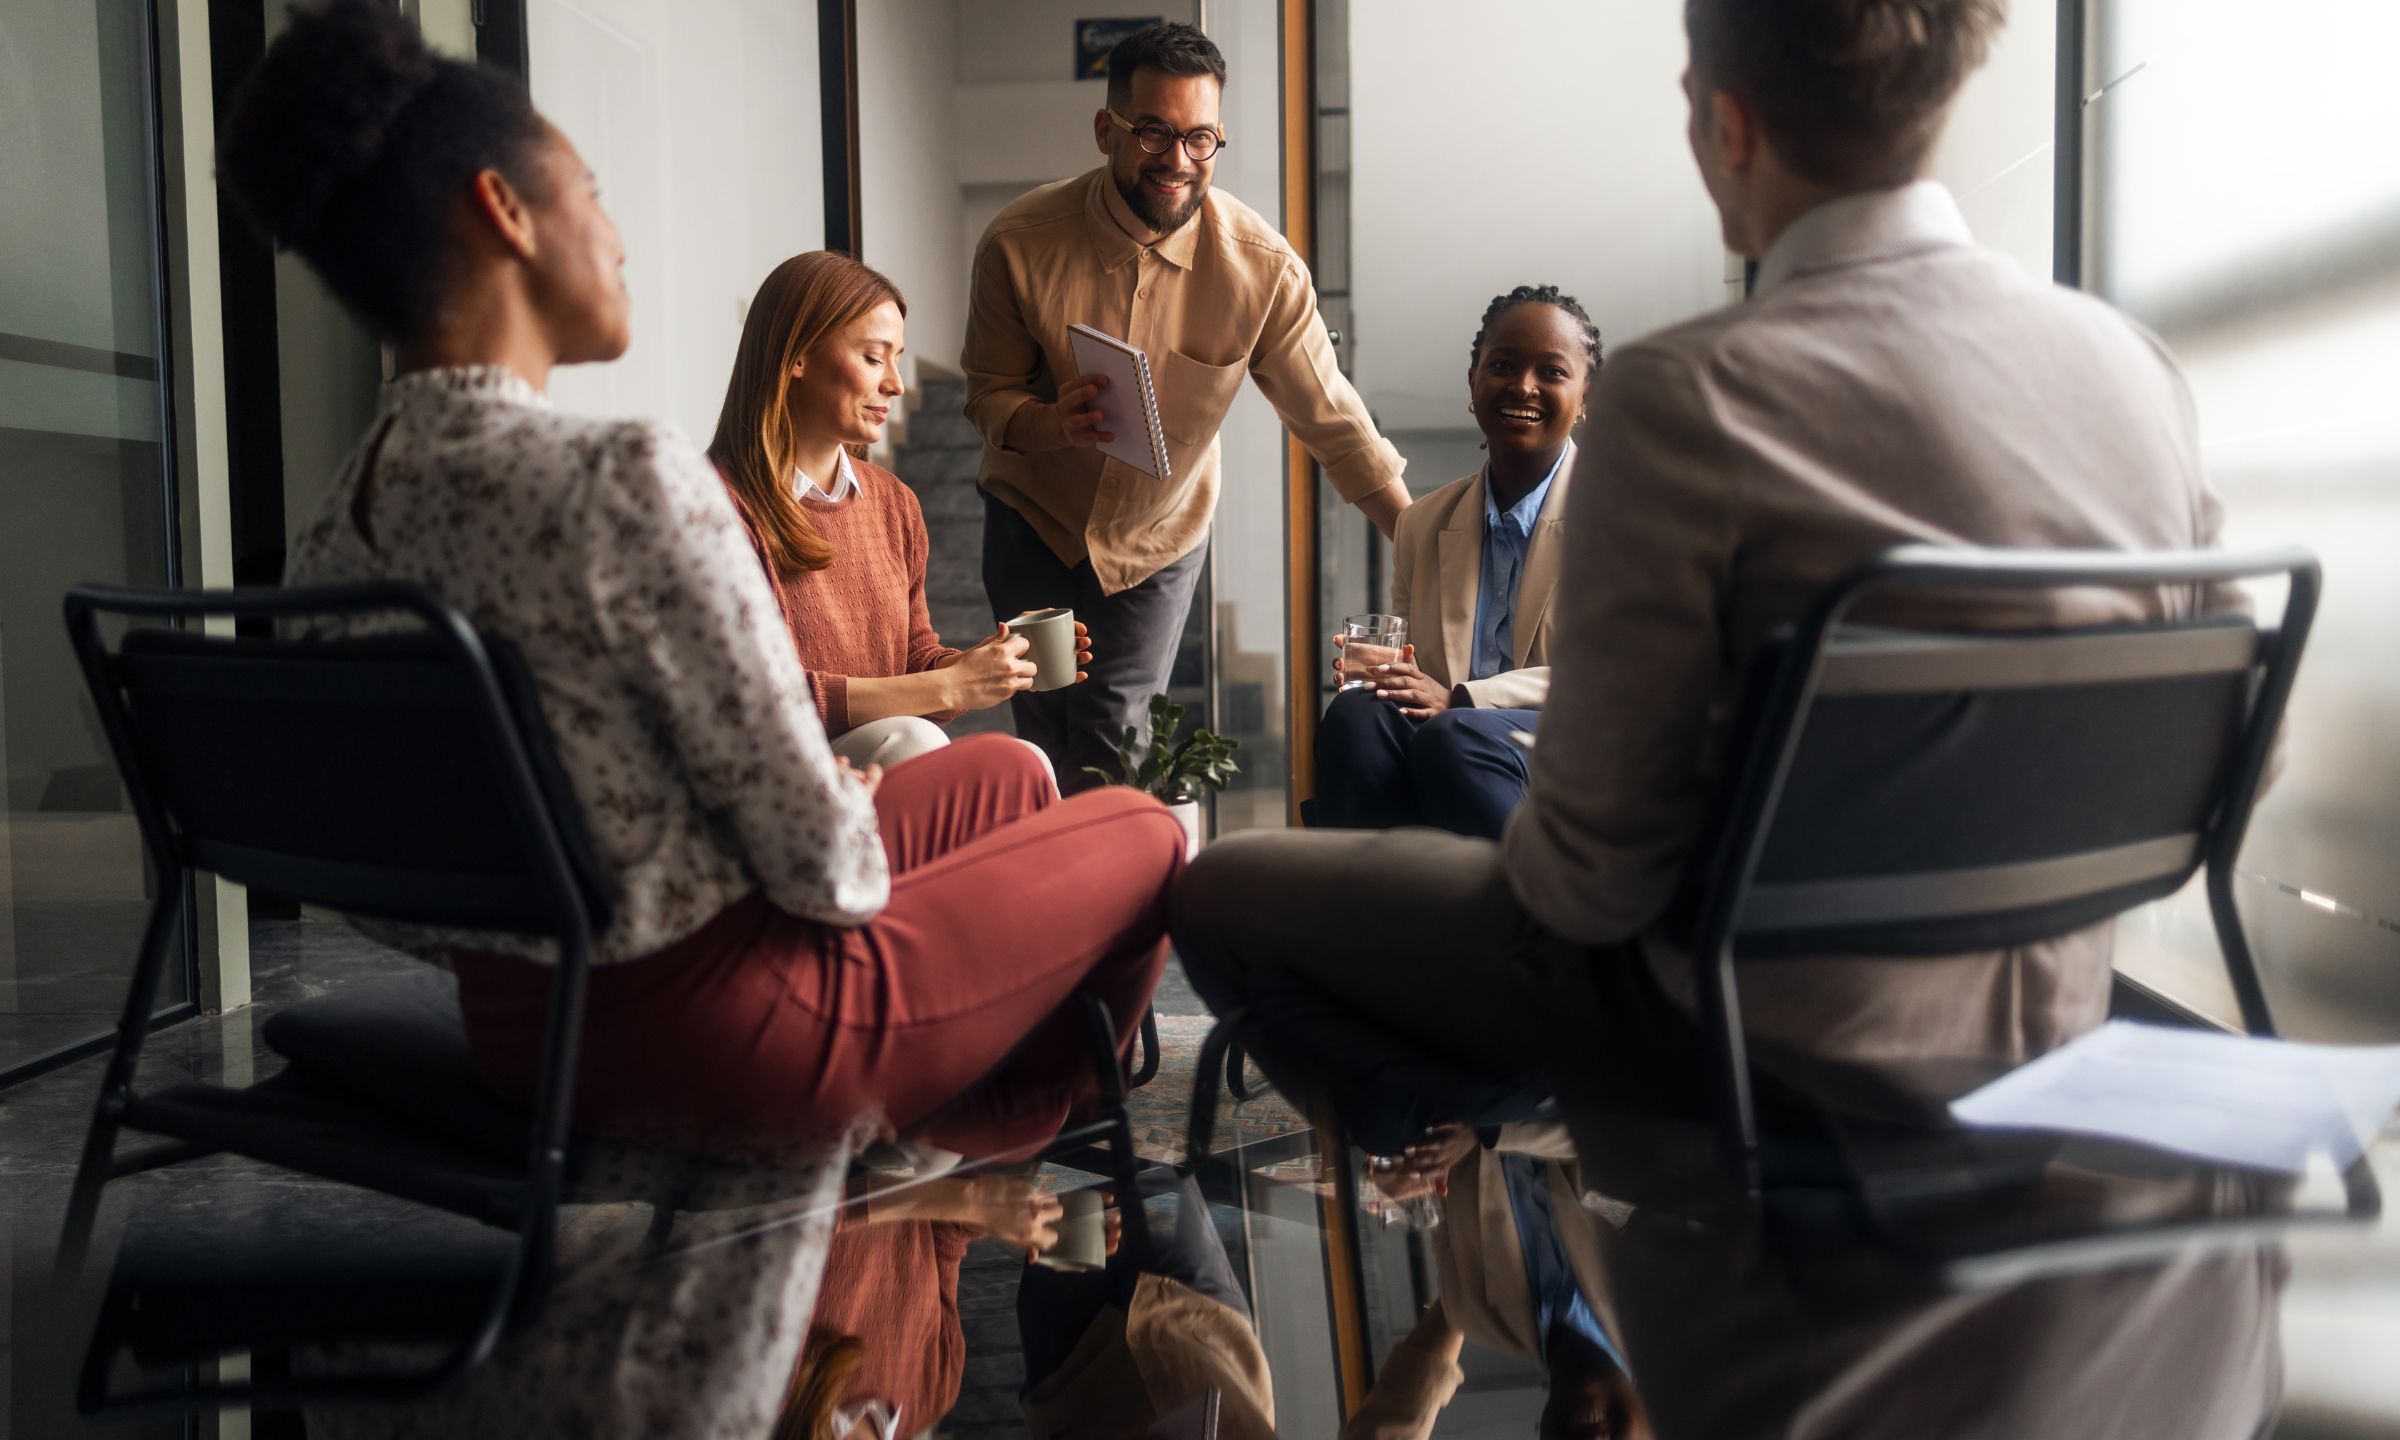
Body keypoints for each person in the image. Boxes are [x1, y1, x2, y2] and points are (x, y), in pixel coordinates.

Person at [1172, 0, 2239, 1323]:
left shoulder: (1693, 399)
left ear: (1724, 122)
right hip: (2026, 1002)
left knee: (1221, 890)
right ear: (1946, 97)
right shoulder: (2131, 368)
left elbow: (1591, 874)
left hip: (1742, 1024)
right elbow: (2235, 750)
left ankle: (1484, 1115)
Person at [221, 1, 1184, 1162]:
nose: (619, 236)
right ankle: (982, 1141)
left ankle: (944, 1120)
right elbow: (823, 864)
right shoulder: (631, 477)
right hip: (730, 1028)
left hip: (523, 1022)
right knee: (1141, 831)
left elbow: (383, 883)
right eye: (593, 192)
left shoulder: (346, 514)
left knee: (998, 789)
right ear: (505, 214)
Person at [964, 21, 1412, 792]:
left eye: (1200, 138)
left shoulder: (1261, 269)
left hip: (1156, 539)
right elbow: (987, 395)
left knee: (1113, 730)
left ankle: (1103, 900)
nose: (1178, 161)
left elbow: (1334, 421)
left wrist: (1421, 542)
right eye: (1154, 134)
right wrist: (1048, 422)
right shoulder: (1019, 242)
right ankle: (1041, 895)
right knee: (1043, 725)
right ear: (1107, 130)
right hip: (1034, 524)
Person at [709, 251, 1093, 774]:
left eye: (897, 358)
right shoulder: (717, 508)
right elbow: (755, 696)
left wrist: (985, 667)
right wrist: (944, 684)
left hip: (882, 763)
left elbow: (916, 663)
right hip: (780, 779)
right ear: (797, 357)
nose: (896, 384)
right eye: (873, 357)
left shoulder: (893, 502)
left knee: (1024, 761)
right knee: (913, 740)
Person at [1312, 286, 1601, 839]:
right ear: (1473, 381)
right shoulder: (1422, 524)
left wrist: (1463, 700)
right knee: (1356, 718)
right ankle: (1359, 906)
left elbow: (1617, 676)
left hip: (1575, 741)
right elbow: (1419, 670)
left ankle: (1523, 912)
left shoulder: (1625, 517)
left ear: (1585, 396)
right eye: (1503, 365)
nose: (1523, 386)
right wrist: (1387, 677)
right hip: (1453, 740)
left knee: (1457, 735)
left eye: (1553, 372)